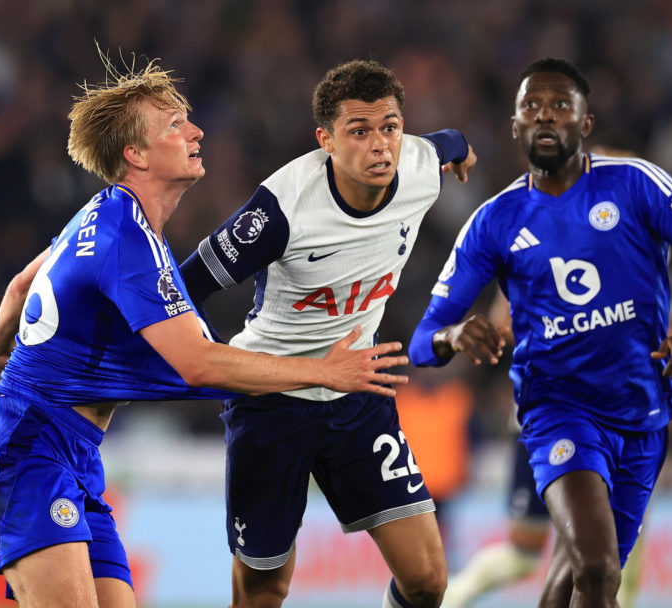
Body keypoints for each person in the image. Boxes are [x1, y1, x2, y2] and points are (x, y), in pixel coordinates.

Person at [0, 59, 411, 608]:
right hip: (26, 446)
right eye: (175, 125)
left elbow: (23, 284)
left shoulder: (107, 214)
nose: (196, 131)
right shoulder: (125, 239)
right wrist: (325, 372)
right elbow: (200, 364)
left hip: (72, 450)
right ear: (136, 155)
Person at [410, 58, 672, 608]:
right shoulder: (495, 221)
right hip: (557, 409)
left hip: (641, 413)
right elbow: (422, 339)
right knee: (598, 571)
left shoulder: (637, 185)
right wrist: (453, 337)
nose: (546, 117)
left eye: (561, 106)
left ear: (585, 124)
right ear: (515, 126)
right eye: (532, 108)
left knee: (574, 579)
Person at [179, 59, 477, 608]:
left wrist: (459, 150)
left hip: (357, 397)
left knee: (429, 581)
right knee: (266, 590)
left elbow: (449, 143)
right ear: (326, 140)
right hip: (271, 403)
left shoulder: (418, 165)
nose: (380, 145)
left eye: (390, 126)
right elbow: (182, 287)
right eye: (359, 132)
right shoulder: (281, 209)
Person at [441, 292, 643, 608]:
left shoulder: (639, 258)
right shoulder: (533, 250)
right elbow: (501, 325)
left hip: (607, 423)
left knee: (608, 554)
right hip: (544, 424)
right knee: (528, 555)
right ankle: (448, 599)